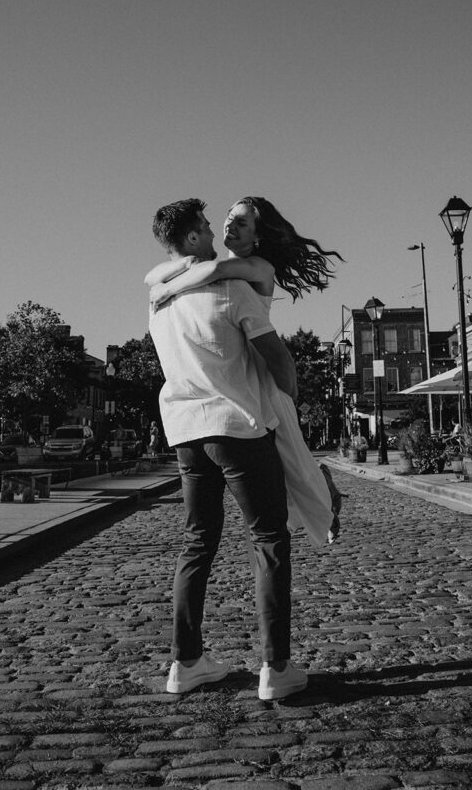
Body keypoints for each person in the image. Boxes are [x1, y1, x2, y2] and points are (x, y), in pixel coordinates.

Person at [148, 197, 308, 701]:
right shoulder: (234, 288)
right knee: (268, 541)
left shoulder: (160, 299)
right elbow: (278, 360)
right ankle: (275, 669)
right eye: (206, 224)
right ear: (194, 237)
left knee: (198, 542)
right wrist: (287, 407)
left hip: (185, 432)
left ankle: (186, 662)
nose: (216, 227)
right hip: (235, 428)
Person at [146, 196, 343, 546]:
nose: (228, 226)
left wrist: (168, 288)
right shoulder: (208, 266)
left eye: (241, 223)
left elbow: (216, 272)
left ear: (257, 235)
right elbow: (152, 274)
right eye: (228, 218)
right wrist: (171, 276)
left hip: (264, 377)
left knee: (293, 461)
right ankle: (316, 502)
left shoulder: (257, 267)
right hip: (241, 377)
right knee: (276, 472)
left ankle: (325, 502)